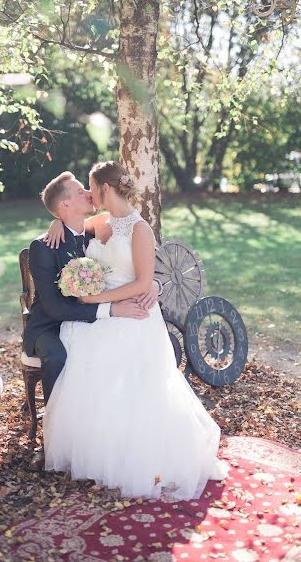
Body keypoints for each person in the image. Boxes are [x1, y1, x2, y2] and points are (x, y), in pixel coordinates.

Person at [42, 161, 228, 501]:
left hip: (133, 313)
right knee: (80, 349)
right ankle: (97, 447)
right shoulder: (102, 221)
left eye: (91, 187)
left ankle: (134, 456)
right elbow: (71, 220)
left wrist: (97, 298)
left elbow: (142, 281)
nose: (88, 193)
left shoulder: (140, 229)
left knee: (131, 377)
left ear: (105, 189)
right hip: (104, 311)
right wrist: (56, 220)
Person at [23, 171, 159, 405]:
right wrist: (110, 310)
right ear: (65, 203)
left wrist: (153, 284)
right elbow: (54, 306)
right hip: (50, 325)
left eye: (88, 188)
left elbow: (132, 265)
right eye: (80, 191)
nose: (88, 193)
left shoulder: (97, 233)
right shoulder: (43, 247)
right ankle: (55, 421)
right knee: (57, 356)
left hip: (89, 320)